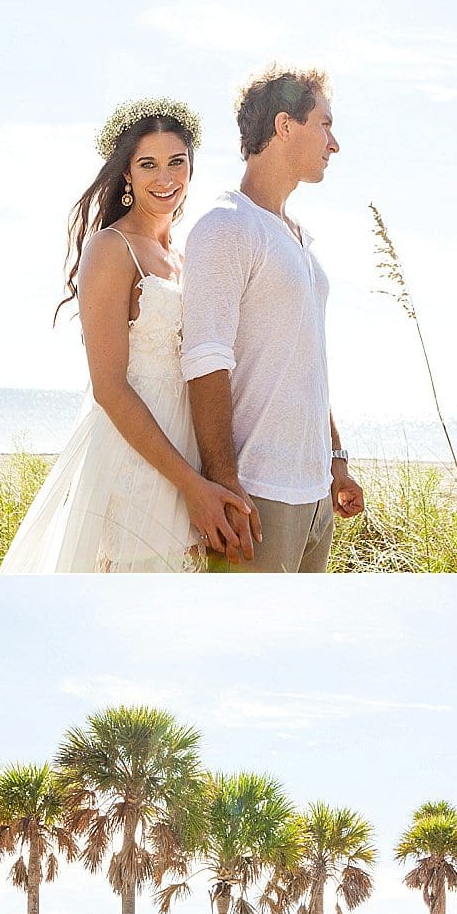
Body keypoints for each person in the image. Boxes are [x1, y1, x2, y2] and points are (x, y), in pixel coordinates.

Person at [0, 97, 249, 573]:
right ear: (128, 174)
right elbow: (109, 388)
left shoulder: (184, 255)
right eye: (148, 164)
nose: (165, 178)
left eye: (177, 162)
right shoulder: (110, 249)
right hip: (140, 452)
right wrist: (189, 486)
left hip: (190, 442)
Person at [180, 65, 365, 573]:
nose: (334, 143)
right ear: (286, 126)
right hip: (258, 497)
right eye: (324, 125)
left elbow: (305, 361)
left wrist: (336, 459)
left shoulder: (299, 238)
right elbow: (204, 360)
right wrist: (224, 481)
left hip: (315, 497)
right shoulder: (227, 226)